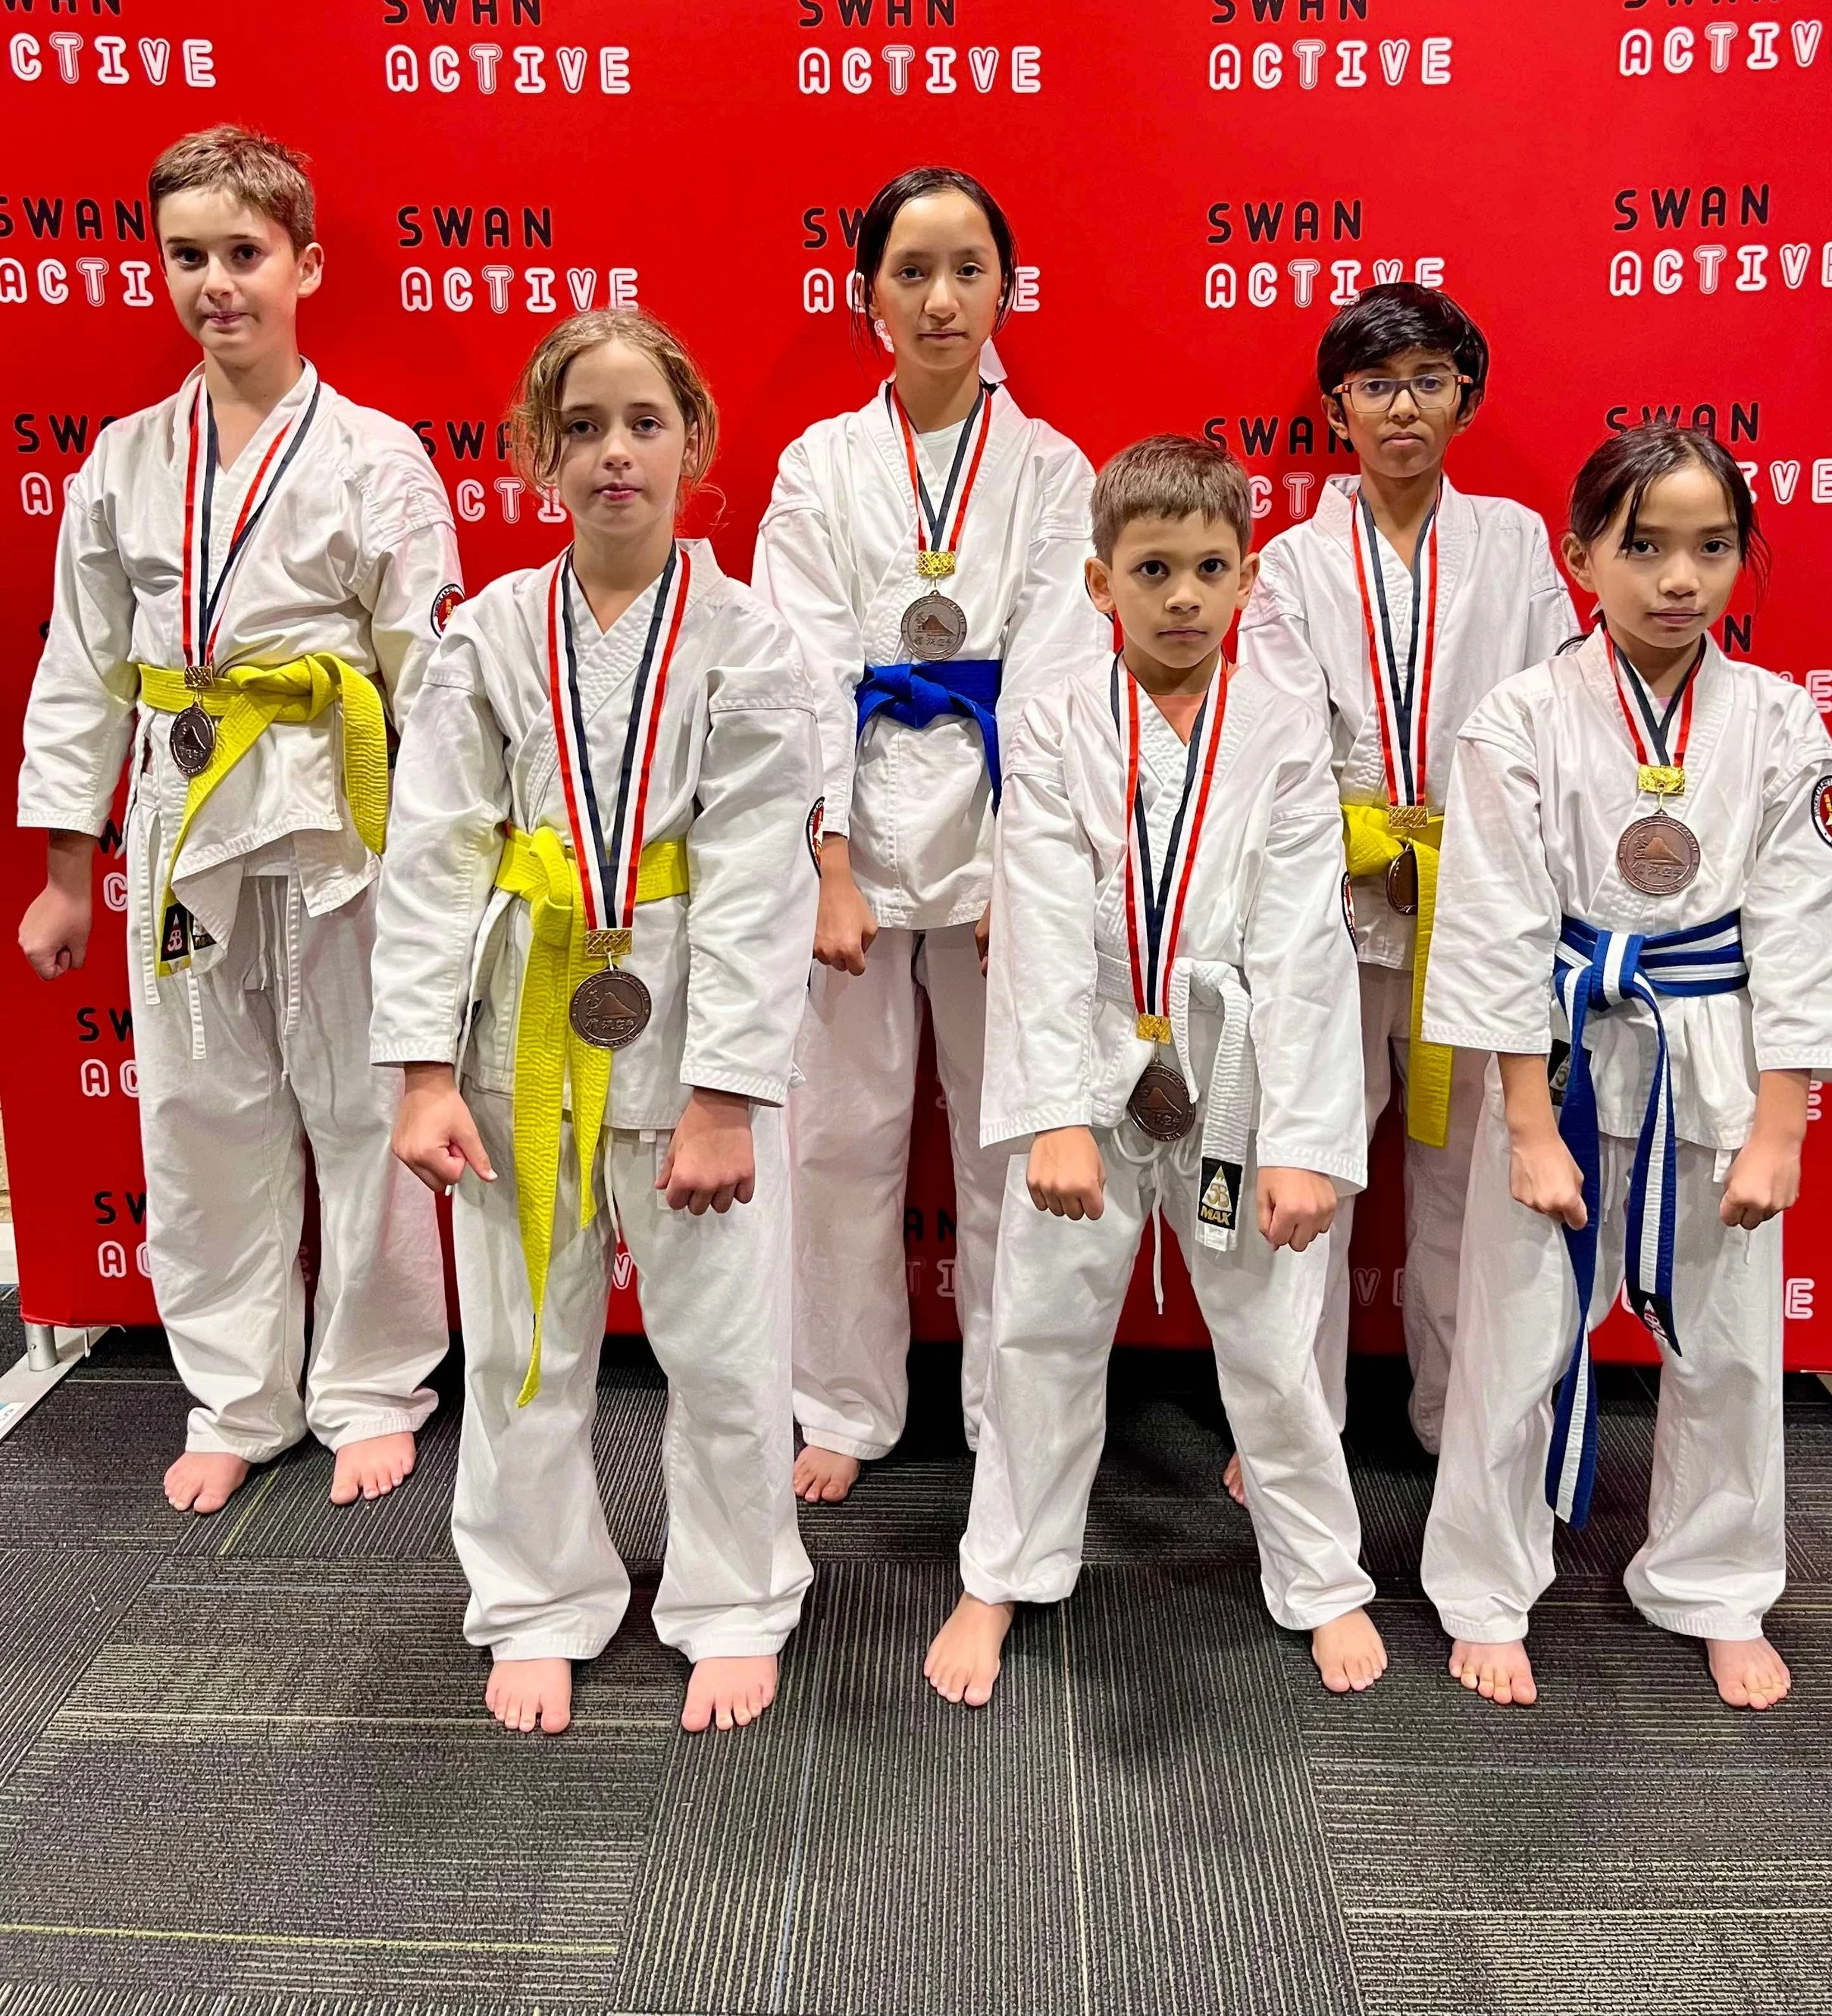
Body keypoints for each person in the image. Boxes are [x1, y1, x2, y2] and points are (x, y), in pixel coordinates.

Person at [374, 307, 819, 1738]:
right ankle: (536, 1596)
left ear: (696, 446)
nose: (613, 451)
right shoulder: (487, 635)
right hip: (523, 1046)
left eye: (644, 422)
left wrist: (730, 1093)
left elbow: (761, 872)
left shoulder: (754, 639)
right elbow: (437, 850)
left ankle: (735, 1595)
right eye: (581, 426)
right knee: (523, 1345)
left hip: (692, 1042)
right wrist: (422, 1073)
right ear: (535, 456)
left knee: (727, 1353)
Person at [17, 125, 453, 1515]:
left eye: (245, 254)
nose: (217, 282)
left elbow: (430, 682)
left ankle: (375, 1380)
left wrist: (441, 872)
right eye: (188, 255)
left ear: (306, 267)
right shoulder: (126, 461)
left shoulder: (376, 459)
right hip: (182, 820)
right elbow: (81, 666)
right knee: (202, 1112)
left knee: (362, 1097)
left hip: (336, 828)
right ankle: (235, 1390)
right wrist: (65, 870)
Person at [1419, 426, 1832, 1711]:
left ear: (1744, 558)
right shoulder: (1519, 716)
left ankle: (1715, 1581)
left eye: (1712, 546)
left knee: (1731, 1348)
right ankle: (1484, 1581)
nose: (1680, 577)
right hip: (1561, 1063)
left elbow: (1807, 928)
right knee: (1515, 1338)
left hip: (1715, 1067)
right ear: (1581, 558)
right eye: (1645, 546)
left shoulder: (1780, 722)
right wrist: (1524, 1123)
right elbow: (1497, 923)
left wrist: (1782, 1129)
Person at [925, 436, 1383, 1707]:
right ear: (1097, 581)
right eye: (1154, 568)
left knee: (1276, 1342)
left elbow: (1303, 947)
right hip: (1092, 1059)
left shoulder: (1285, 726)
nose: (1183, 595)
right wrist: (1056, 1121)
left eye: (1210, 568)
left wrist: (1301, 1139)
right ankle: (1003, 1564)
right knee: (1044, 1327)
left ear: (1247, 583)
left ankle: (1325, 1573)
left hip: (1234, 1071)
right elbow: (1036, 927)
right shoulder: (1058, 717)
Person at [753, 166, 1105, 1503]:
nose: (942, 298)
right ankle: (842, 1400)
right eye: (912, 271)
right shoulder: (820, 464)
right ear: (866, 299)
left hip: (997, 830)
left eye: (968, 269)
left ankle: (1010, 1395)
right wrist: (829, 861)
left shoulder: (1052, 466)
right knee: (840, 1128)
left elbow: (1067, 678)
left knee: (1012, 1134)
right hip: (855, 820)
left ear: (1006, 290)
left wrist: (1028, 866)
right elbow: (793, 673)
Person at [1231, 284, 1574, 1488]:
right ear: (1338, 406)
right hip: (1338, 905)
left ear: (1465, 399)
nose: (1403, 406)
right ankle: (1293, 1424)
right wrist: (1368, 847)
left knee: (1464, 1181)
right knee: (1311, 1166)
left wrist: (1466, 861)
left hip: (1474, 910)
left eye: (1429, 380)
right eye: (1377, 384)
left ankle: (1454, 1410)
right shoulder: (1289, 563)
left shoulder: (1520, 542)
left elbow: (1545, 715)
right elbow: (1275, 739)